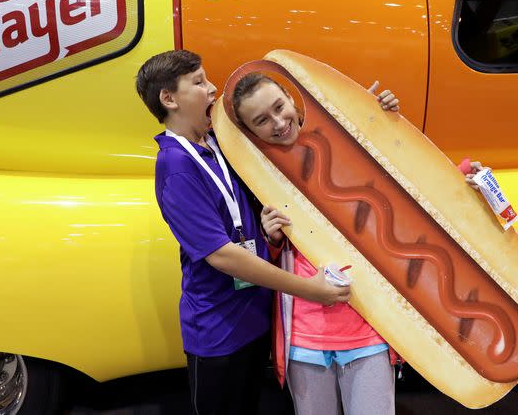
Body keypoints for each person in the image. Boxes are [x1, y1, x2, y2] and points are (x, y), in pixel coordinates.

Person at [231, 72, 482, 415]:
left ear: (292, 98)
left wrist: (385, 123)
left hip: (367, 328)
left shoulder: (352, 137)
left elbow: (409, 195)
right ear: (250, 131)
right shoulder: (254, 176)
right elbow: (257, 262)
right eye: (262, 120)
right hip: (305, 340)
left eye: (279, 106)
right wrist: (272, 239)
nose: (278, 122)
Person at [135, 50, 351, 415]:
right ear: (169, 99)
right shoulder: (175, 166)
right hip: (218, 332)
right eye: (199, 82)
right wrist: (310, 289)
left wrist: (380, 113)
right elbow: (222, 255)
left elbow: (294, 134)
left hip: (254, 319)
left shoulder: (219, 142)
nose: (212, 89)